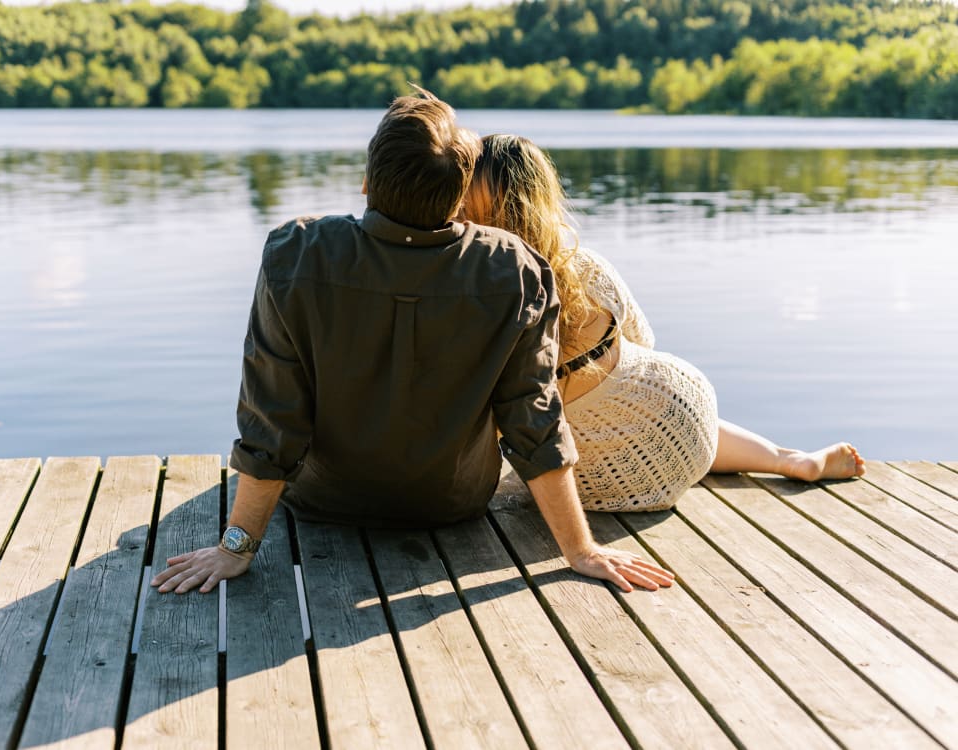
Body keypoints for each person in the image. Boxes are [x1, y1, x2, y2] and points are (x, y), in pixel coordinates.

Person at [151, 92, 675, 596]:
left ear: (365, 182)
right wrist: (581, 551)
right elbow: (533, 423)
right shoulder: (516, 270)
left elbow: (273, 417)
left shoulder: (297, 255)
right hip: (450, 505)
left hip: (320, 500)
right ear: (459, 195)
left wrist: (236, 548)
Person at [463, 134, 865, 512]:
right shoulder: (586, 268)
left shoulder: (479, 298)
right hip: (685, 431)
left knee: (600, 414)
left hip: (588, 476)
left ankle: (784, 458)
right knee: (648, 394)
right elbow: (643, 341)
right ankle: (788, 460)